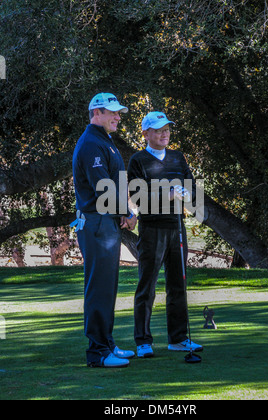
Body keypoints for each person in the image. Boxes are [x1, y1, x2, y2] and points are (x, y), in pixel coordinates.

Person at [127, 111, 203, 358]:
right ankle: (143, 341)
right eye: (158, 130)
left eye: (167, 129)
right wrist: (169, 195)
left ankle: (178, 339)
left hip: (176, 226)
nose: (164, 134)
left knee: (178, 284)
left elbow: (192, 190)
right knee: (147, 285)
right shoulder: (138, 160)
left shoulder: (178, 157)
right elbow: (138, 200)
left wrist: (187, 195)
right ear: (146, 134)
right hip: (152, 229)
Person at [72, 93, 137, 368]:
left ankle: (107, 343)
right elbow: (103, 188)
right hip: (96, 222)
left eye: (119, 112)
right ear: (96, 113)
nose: (118, 117)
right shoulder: (91, 143)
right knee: (99, 288)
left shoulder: (104, 140)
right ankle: (97, 352)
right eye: (113, 112)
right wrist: (126, 212)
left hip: (105, 222)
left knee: (107, 287)